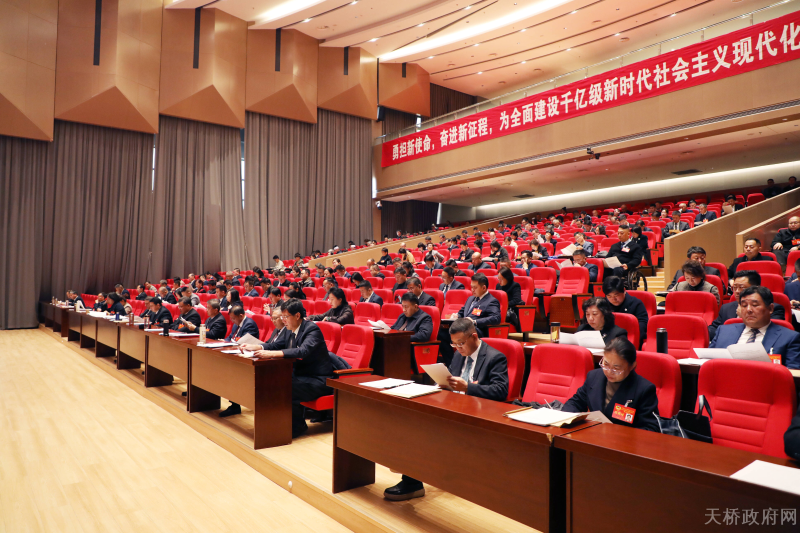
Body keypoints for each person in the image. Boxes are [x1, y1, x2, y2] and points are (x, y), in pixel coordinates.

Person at [384, 318, 508, 502]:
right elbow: (450, 379)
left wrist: (469, 387)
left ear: (474, 337)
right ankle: (411, 478)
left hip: (478, 412)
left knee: (424, 430)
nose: (458, 348)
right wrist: (441, 384)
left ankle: (412, 480)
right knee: (413, 421)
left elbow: (501, 391)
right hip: (453, 406)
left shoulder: (495, 357)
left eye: (461, 343)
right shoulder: (458, 355)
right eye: (454, 344)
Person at [240, 299, 334, 438]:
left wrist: (272, 354)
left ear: (297, 315)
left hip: (318, 380)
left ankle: (297, 426)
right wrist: (256, 347)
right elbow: (276, 345)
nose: (283, 320)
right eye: (282, 316)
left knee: (285, 387)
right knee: (273, 382)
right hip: (301, 376)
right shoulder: (289, 329)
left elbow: (303, 351)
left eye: (285, 316)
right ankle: (278, 423)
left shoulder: (311, 329)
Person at [563, 337, 659, 431]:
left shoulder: (644, 389)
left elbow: (651, 428)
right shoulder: (593, 376)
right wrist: (565, 418)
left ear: (632, 366)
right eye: (606, 364)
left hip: (623, 439)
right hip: (593, 434)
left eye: (616, 368)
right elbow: (575, 402)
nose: (609, 372)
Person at [709, 286, 800, 369]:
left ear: (770, 308)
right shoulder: (723, 331)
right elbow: (707, 362)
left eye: (755, 305)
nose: (748, 310)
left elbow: (793, 374)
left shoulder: (789, 338)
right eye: (744, 305)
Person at [439, 273, 501, 366]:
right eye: (471, 287)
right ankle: (451, 363)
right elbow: (462, 311)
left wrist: (475, 321)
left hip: (476, 330)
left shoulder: (491, 301)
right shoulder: (470, 298)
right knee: (441, 333)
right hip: (463, 327)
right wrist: (456, 315)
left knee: (461, 334)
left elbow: (496, 318)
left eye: (475, 287)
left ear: (484, 288)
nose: (472, 290)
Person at [708, 270, 786, 338]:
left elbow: (775, 333)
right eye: (735, 287)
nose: (737, 291)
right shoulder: (726, 308)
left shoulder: (770, 308)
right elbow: (713, 330)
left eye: (741, 287)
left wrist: (744, 316)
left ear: (756, 288)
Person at [603, 276, 648, 344]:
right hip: (608, 341)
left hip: (629, 341)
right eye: (609, 296)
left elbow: (641, 326)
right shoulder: (603, 304)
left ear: (624, 290)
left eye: (616, 295)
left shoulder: (636, 303)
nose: (613, 299)